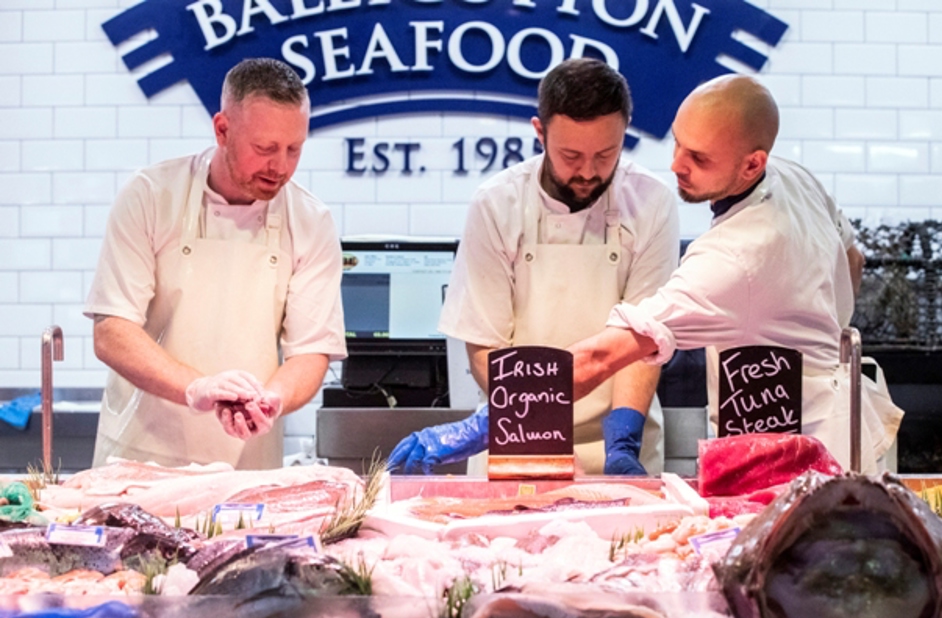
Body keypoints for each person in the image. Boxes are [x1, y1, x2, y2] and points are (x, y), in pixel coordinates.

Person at [570, 74, 903, 474]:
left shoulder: (734, 256)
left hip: (799, 460)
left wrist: (502, 411)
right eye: (677, 142)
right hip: (834, 426)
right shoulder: (793, 177)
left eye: (699, 157)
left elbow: (601, 357)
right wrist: (818, 335)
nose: (677, 164)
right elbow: (853, 258)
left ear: (752, 164)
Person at [389, 58, 681, 476]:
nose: (588, 172)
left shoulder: (653, 202)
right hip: (514, 436)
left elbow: (642, 339)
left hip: (616, 439)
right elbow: (485, 344)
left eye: (606, 154)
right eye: (570, 154)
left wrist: (623, 443)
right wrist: (526, 421)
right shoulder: (496, 204)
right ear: (539, 132)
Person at [84, 58, 346, 469]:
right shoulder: (150, 196)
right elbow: (112, 331)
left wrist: (272, 401)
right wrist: (197, 387)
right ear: (222, 129)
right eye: (264, 149)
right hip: (141, 459)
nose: (280, 166)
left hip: (247, 463)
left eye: (294, 149)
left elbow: (311, 351)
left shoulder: (311, 220)